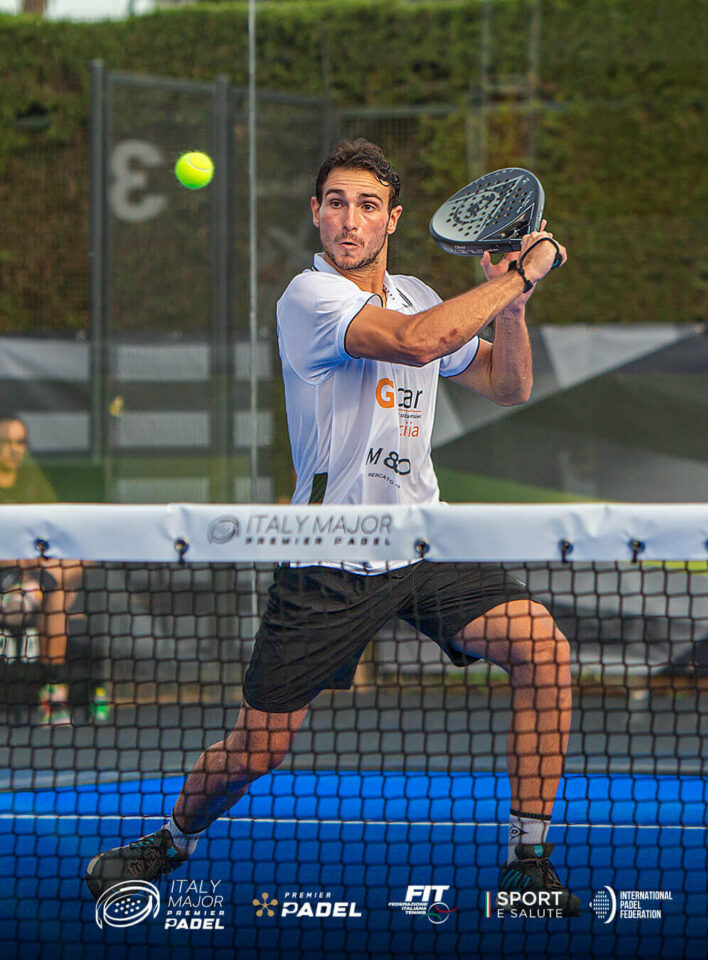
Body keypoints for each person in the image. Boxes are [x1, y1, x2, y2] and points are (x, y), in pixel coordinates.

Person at [86, 139, 578, 916]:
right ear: (317, 213)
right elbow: (418, 342)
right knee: (260, 748)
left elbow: (507, 384)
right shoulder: (309, 298)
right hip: (328, 557)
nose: (351, 220)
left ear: (393, 219)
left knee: (543, 649)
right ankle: (172, 840)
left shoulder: (418, 292)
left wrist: (514, 307)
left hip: (420, 542)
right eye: (337, 203)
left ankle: (528, 860)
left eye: (368, 205)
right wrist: (519, 273)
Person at [0, 415, 85, 724]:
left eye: (20, 442)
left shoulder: (33, 483)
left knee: (65, 581)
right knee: (57, 589)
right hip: (7, 580)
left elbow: (56, 535)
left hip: (34, 580)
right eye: (6, 442)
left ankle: (53, 696)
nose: (14, 449)